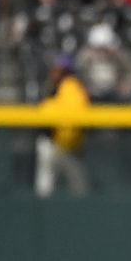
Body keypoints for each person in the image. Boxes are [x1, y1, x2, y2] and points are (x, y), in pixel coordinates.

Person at [35, 55, 90, 197]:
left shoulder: (71, 86)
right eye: (54, 70)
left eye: (59, 70)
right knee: (47, 187)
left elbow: (74, 116)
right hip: (55, 143)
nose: (55, 73)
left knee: (78, 188)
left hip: (66, 146)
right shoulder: (54, 87)